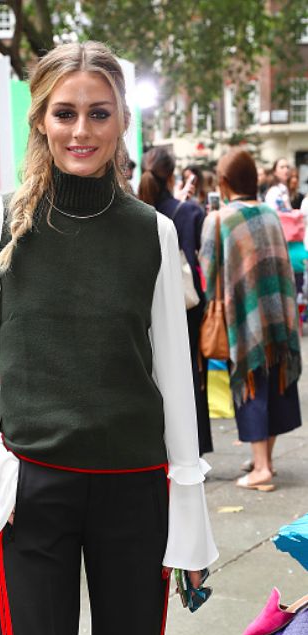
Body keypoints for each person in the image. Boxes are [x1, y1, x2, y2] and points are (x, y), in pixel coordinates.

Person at [0, 41, 218, 635]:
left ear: (122, 119)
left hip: (135, 488)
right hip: (34, 485)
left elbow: (174, 379)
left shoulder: (153, 232)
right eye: (64, 113)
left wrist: (190, 520)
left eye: (98, 113)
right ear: (40, 119)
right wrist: (0, 468)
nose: (81, 130)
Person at [200, 148, 302, 491]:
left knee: (252, 384)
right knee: (275, 384)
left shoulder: (220, 219)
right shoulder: (270, 214)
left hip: (244, 316)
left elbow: (208, 270)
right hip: (279, 312)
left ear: (225, 181)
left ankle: (261, 469)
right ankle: (265, 460)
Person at [138, 147, 213, 456]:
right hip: (187, 303)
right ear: (172, 176)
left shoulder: (135, 213)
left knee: (150, 371)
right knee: (190, 372)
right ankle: (193, 447)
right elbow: (200, 261)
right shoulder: (190, 212)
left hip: (144, 301)